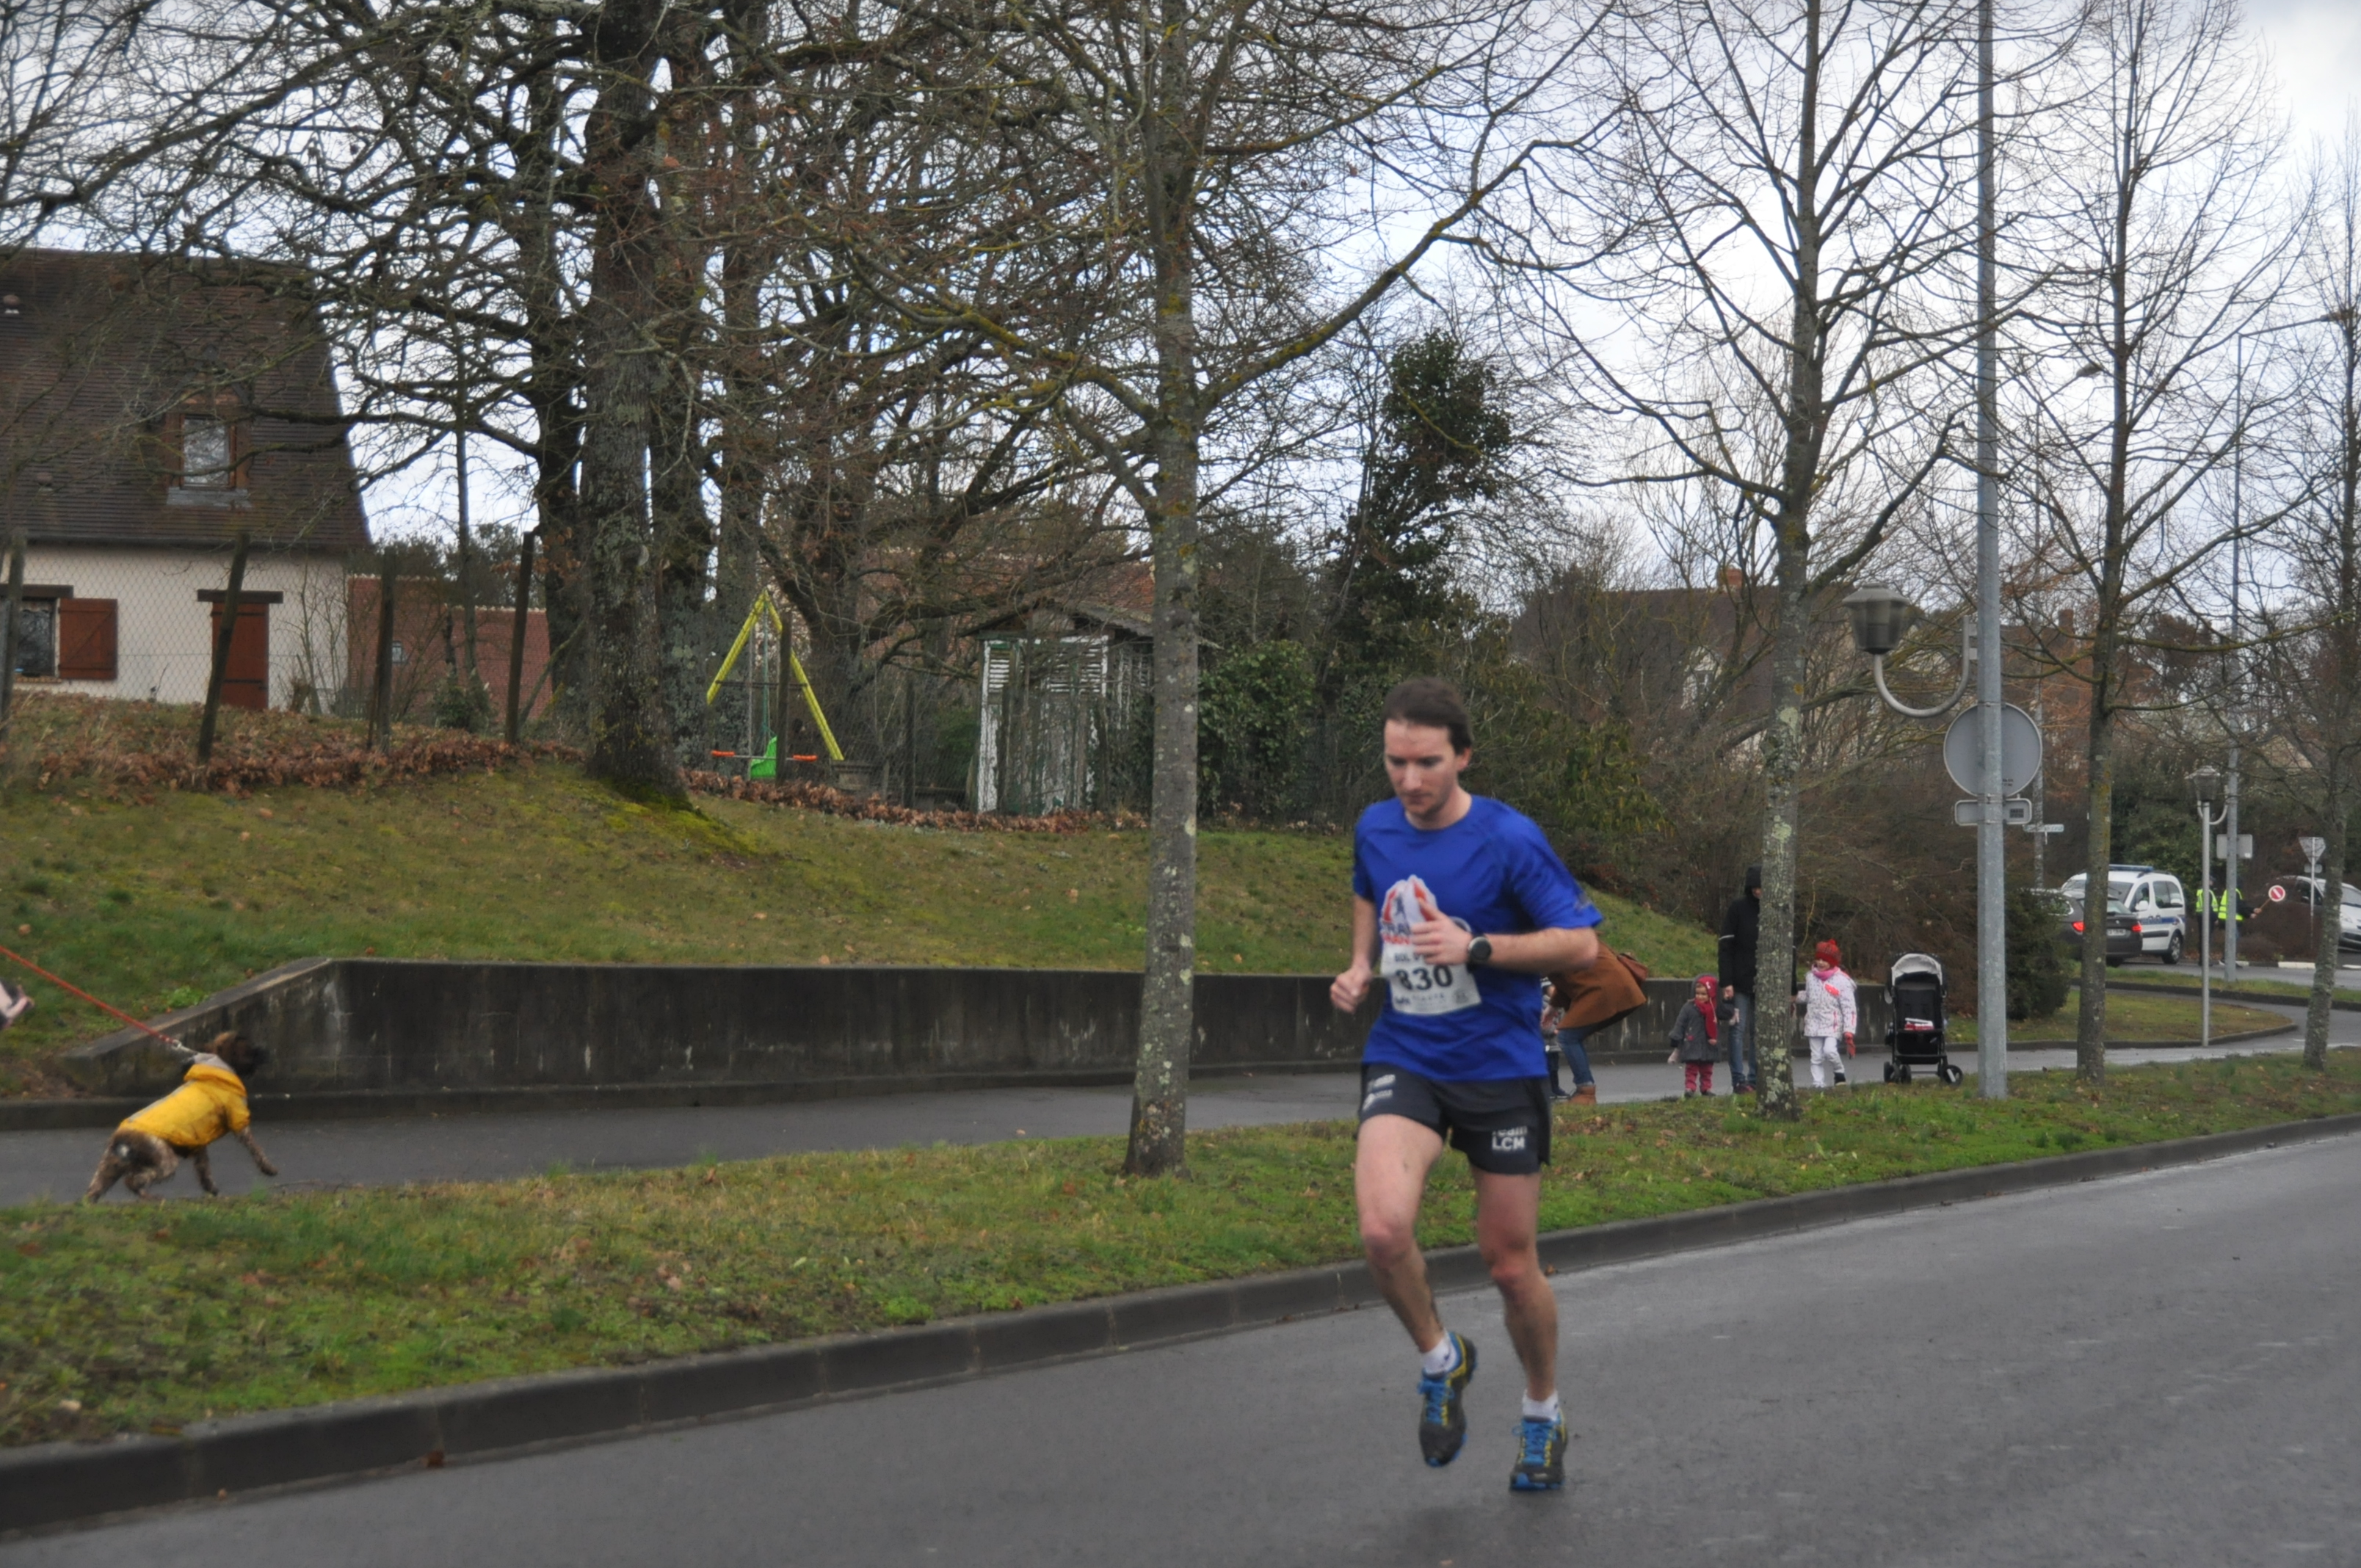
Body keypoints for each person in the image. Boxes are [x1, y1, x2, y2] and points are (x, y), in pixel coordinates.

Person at [1330, 677, 1603, 1493]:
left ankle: (1542, 1412)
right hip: (1407, 1053)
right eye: (1396, 762)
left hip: (1499, 1067)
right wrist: (1360, 964)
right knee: (1383, 1231)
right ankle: (1441, 1360)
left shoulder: (1508, 839)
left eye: (1427, 763)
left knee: (1510, 1266)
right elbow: (1367, 889)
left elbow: (1582, 947)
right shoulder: (1376, 825)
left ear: (1464, 758)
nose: (1409, 780)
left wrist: (1478, 947)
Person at [1717, 867, 1762, 1095]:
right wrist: (1727, 981)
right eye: (1755, 888)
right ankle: (1738, 1079)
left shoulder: (1774, 910)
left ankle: (1754, 1078)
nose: (1759, 892)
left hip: (1763, 982)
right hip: (1739, 980)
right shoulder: (1738, 908)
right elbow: (1725, 946)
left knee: (1757, 1032)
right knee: (1737, 1029)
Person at [1795, 939, 1857, 1089]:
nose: (1821, 963)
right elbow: (1809, 996)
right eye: (1819, 959)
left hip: (1832, 1024)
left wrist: (1849, 1030)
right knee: (1816, 1057)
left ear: (1833, 962)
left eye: (1825, 960)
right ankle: (1818, 1085)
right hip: (1814, 1023)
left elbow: (1849, 1007)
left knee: (1830, 1051)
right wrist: (1794, 997)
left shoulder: (1842, 981)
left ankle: (1839, 1071)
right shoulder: (1811, 977)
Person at [1538, 981, 1597, 1106]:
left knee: (1554, 1068)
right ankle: (1548, 1090)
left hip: (1554, 1044)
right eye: (1552, 988)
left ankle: (1556, 1088)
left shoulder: (1559, 1005)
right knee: (1546, 1067)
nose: (1555, 991)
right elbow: (1542, 1024)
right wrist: (1554, 1030)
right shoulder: (1541, 1004)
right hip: (1545, 1043)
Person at [1666, 973, 1719, 1096]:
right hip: (1692, 1042)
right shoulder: (1689, 1008)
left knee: (1707, 1069)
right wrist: (1676, 1036)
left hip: (1708, 1043)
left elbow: (1725, 1014)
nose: (1700, 997)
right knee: (1691, 1068)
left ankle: (1706, 1088)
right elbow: (1681, 1022)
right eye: (1697, 994)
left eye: (1704, 994)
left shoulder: (1714, 1009)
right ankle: (1690, 1087)